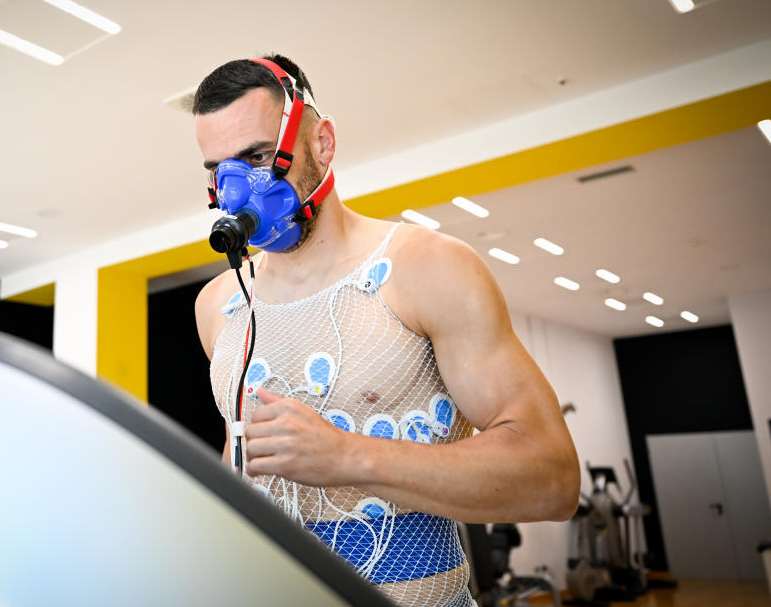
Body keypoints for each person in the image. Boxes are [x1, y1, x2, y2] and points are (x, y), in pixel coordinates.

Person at [192, 54, 579, 607]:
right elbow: (243, 460)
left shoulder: (427, 267)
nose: (237, 190)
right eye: (218, 169)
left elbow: (554, 478)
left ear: (321, 143)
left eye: (256, 155)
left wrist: (348, 457)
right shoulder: (219, 304)